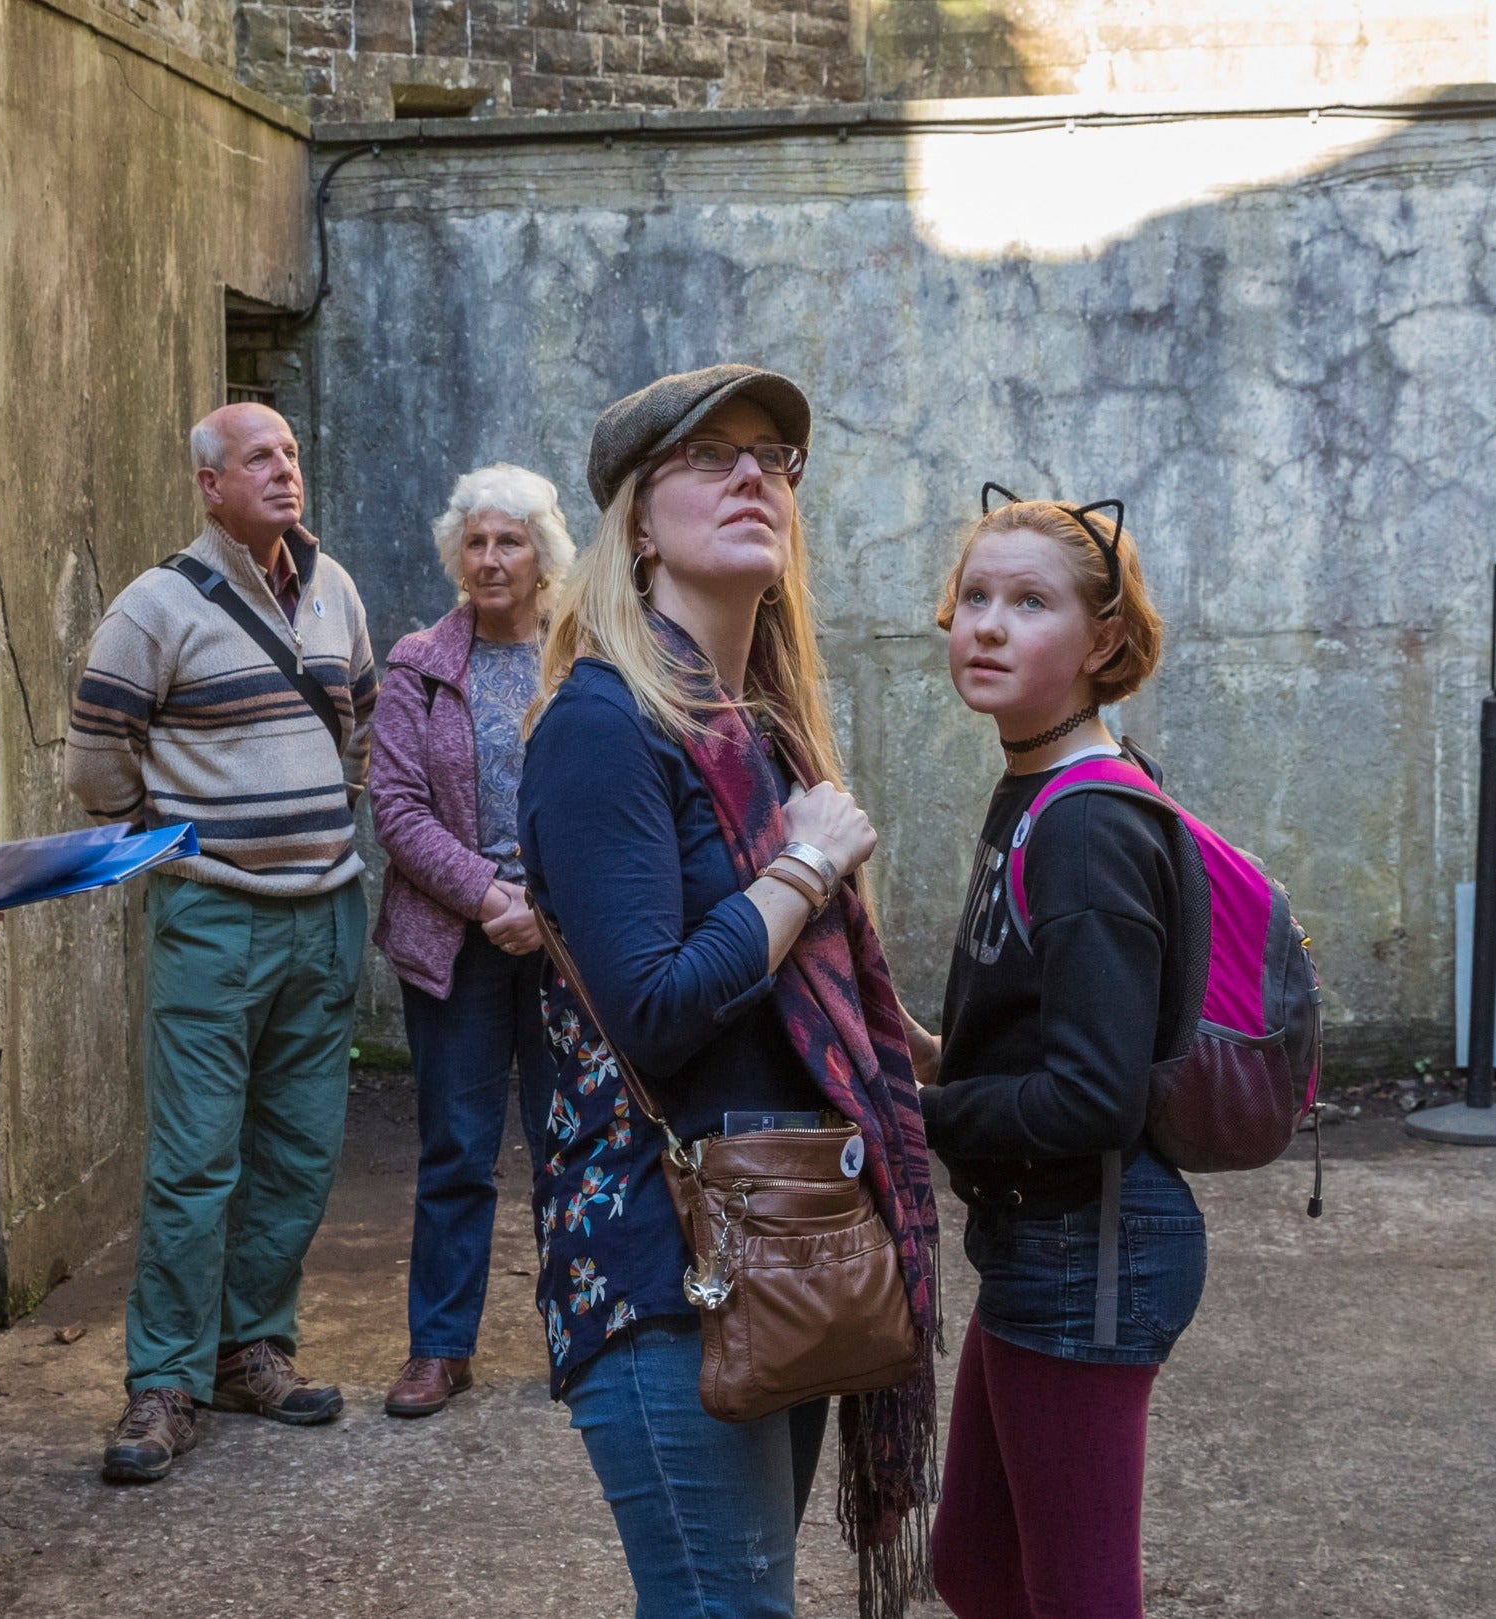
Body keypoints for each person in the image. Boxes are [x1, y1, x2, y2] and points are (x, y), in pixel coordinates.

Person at [520, 366, 940, 1618]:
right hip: (668, 1261)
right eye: (711, 456)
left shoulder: (757, 730)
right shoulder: (601, 723)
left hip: (785, 1233)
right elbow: (650, 1004)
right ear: (637, 523)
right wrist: (805, 868)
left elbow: (814, 1016)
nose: (755, 473)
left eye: (774, 456)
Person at [69, 402, 378, 1484]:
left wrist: (313, 829)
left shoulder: (334, 587)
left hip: (326, 909)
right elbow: (99, 757)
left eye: (291, 452)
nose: (284, 471)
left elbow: (363, 728)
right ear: (209, 483)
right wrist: (185, 832)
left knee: (297, 1150)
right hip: (214, 912)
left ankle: (255, 1346)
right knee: (197, 1158)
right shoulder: (154, 607)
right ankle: (163, 1378)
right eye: (259, 458)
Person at [922, 495, 1196, 1619]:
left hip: (1091, 1250)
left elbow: (1091, 1096)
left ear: (1104, 643)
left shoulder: (1086, 822)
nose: (987, 624)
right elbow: (1047, 1032)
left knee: (1077, 1598)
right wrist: (924, 1052)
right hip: (1046, 1237)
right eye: (975, 597)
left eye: (1030, 602)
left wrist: (913, 1111)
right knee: (977, 1566)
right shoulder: (1037, 786)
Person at [370, 464, 574, 1419]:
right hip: (457, 938)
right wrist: (491, 894)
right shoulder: (419, 661)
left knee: (568, 1141)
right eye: (479, 541)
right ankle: (439, 1348)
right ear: (460, 552)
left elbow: (609, 801)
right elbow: (398, 810)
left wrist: (548, 903)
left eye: (512, 541)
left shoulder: (587, 659)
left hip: (567, 938)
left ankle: (584, 1331)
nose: (493, 559)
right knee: (457, 1146)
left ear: (544, 555)